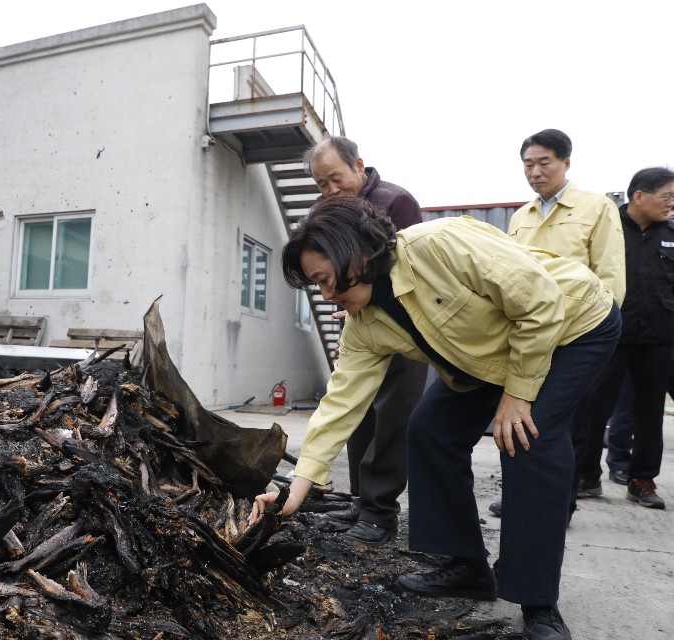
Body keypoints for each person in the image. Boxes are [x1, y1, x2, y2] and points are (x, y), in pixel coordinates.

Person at [250, 195, 620, 640]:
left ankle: (538, 601)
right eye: (318, 286)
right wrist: (299, 488)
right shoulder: (364, 324)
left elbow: (540, 303)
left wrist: (519, 395)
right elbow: (341, 402)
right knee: (429, 430)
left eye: (326, 280)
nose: (328, 295)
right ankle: (466, 566)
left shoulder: (440, 243)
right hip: (490, 355)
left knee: (526, 437)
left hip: (571, 324)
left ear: (357, 252)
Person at [488, 128, 625, 518]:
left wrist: (602, 336)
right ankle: (522, 494)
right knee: (524, 420)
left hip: (578, 333)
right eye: (528, 164)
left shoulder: (596, 208)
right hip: (533, 334)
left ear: (566, 162)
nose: (535, 171)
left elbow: (611, 275)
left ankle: (560, 502)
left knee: (566, 422)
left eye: (544, 162)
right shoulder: (521, 216)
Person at [302, 136, 428, 544]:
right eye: (322, 185)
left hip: (404, 327)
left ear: (358, 165)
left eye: (336, 178)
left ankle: (380, 512)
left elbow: (409, 274)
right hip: (357, 322)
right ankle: (360, 497)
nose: (331, 191)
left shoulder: (396, 201)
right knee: (355, 411)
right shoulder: (327, 213)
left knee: (392, 415)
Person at [576, 167, 674, 509]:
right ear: (639, 196)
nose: (671, 204)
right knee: (593, 406)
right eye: (666, 197)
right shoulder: (608, 227)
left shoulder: (672, 234)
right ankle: (586, 475)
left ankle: (642, 480)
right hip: (611, 333)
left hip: (659, 337)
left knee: (650, 412)